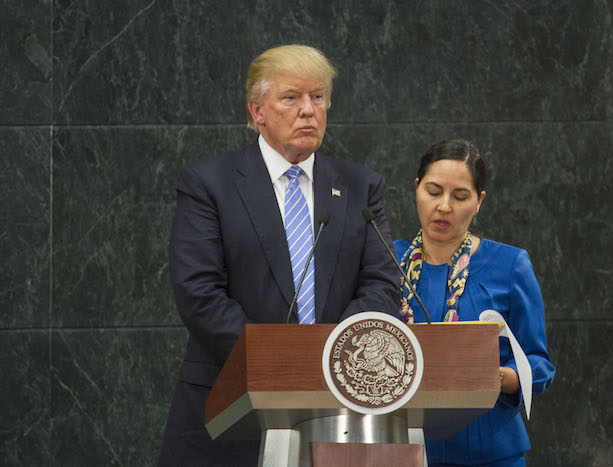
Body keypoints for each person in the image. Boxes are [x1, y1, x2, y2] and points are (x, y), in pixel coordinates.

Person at [158, 44, 400, 466]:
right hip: (230, 408)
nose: (308, 110)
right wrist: (282, 362)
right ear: (257, 111)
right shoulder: (209, 183)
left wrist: (335, 357)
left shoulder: (361, 187)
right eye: (291, 97)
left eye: (318, 97)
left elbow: (381, 284)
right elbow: (199, 293)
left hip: (337, 412)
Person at [394, 139, 555, 466]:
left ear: (479, 201)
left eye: (460, 196)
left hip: (488, 451)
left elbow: (538, 364)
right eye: (434, 191)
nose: (444, 207)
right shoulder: (384, 260)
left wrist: (497, 377)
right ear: (416, 189)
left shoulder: (510, 264)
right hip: (398, 446)